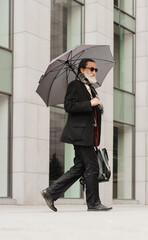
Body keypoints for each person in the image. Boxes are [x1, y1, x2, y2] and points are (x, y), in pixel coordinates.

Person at [41, 58, 112, 212]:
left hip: (88, 134)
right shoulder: (75, 85)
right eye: (91, 69)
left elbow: (91, 110)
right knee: (92, 167)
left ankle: (51, 193)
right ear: (81, 69)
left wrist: (99, 107)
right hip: (80, 133)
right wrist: (90, 104)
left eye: (95, 70)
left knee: (80, 167)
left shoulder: (91, 89)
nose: (94, 72)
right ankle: (93, 203)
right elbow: (69, 106)